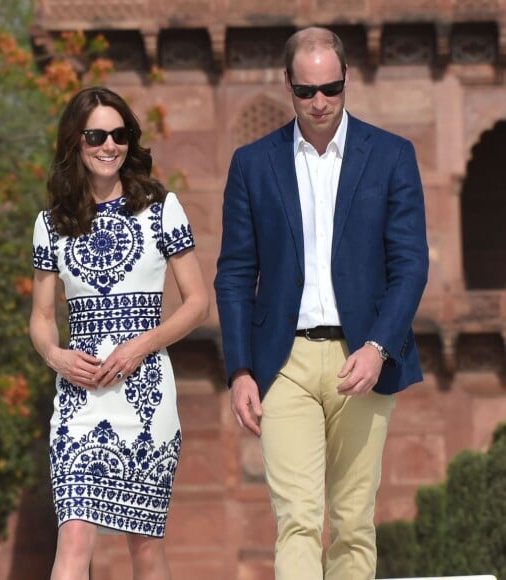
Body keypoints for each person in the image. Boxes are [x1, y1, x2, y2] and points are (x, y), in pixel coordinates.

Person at [214, 26, 429, 580]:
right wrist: (239, 368)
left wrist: (380, 345)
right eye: (307, 90)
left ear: (346, 80)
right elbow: (236, 272)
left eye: (330, 88)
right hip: (282, 362)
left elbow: (410, 264)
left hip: (363, 355)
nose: (319, 102)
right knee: (299, 519)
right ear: (288, 85)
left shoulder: (390, 156)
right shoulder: (253, 164)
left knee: (354, 522)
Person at [30, 86, 209, 580]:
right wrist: (55, 356)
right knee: (74, 536)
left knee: (145, 547)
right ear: (76, 142)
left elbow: (197, 302)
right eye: (96, 135)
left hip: (146, 394)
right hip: (79, 400)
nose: (109, 145)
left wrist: (142, 345)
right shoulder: (51, 224)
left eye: (119, 133)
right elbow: (42, 317)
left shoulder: (161, 209)